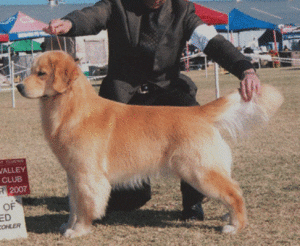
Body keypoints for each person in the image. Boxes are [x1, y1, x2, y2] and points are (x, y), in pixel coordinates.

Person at [43, 0, 261, 221]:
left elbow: (211, 41)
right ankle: (113, 197)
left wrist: (245, 68)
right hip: (124, 99)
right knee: (131, 199)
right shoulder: (117, 4)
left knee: (192, 125)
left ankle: (193, 202)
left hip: (167, 92)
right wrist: (70, 23)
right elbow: (91, 16)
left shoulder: (182, 9)